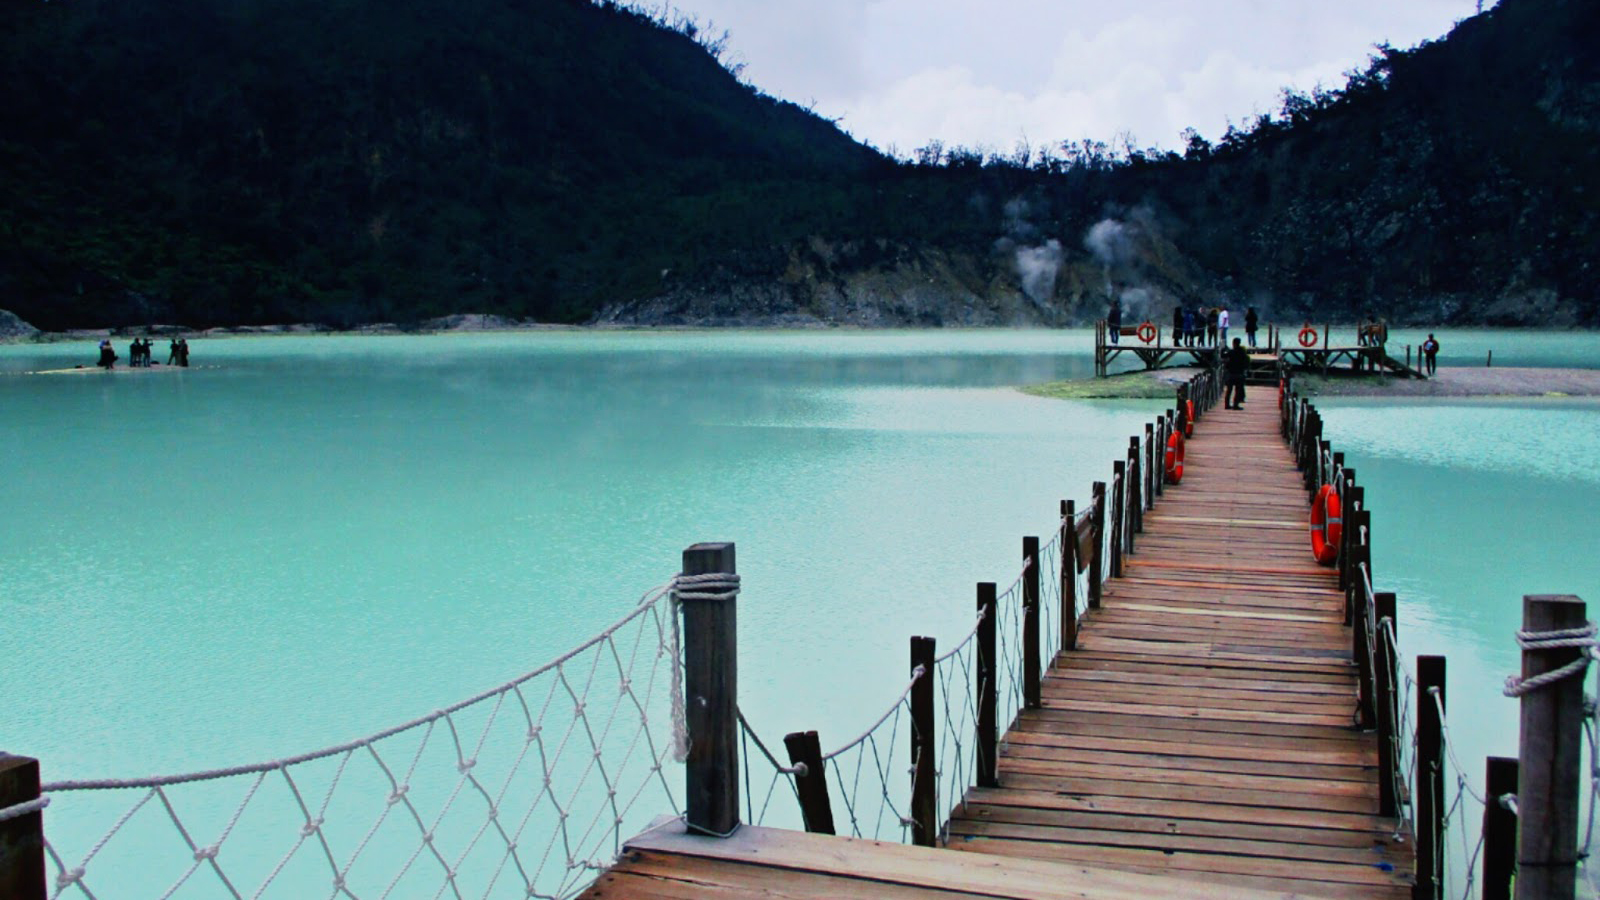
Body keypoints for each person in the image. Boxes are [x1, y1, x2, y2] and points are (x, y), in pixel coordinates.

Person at [1223, 338, 1249, 408]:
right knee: (1238, 390)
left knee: (1229, 390)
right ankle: (1235, 405)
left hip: (1231, 373)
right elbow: (1246, 361)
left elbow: (1223, 356)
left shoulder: (1231, 352)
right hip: (1239, 373)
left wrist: (1223, 350)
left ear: (1233, 343)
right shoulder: (1242, 352)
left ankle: (1227, 405)